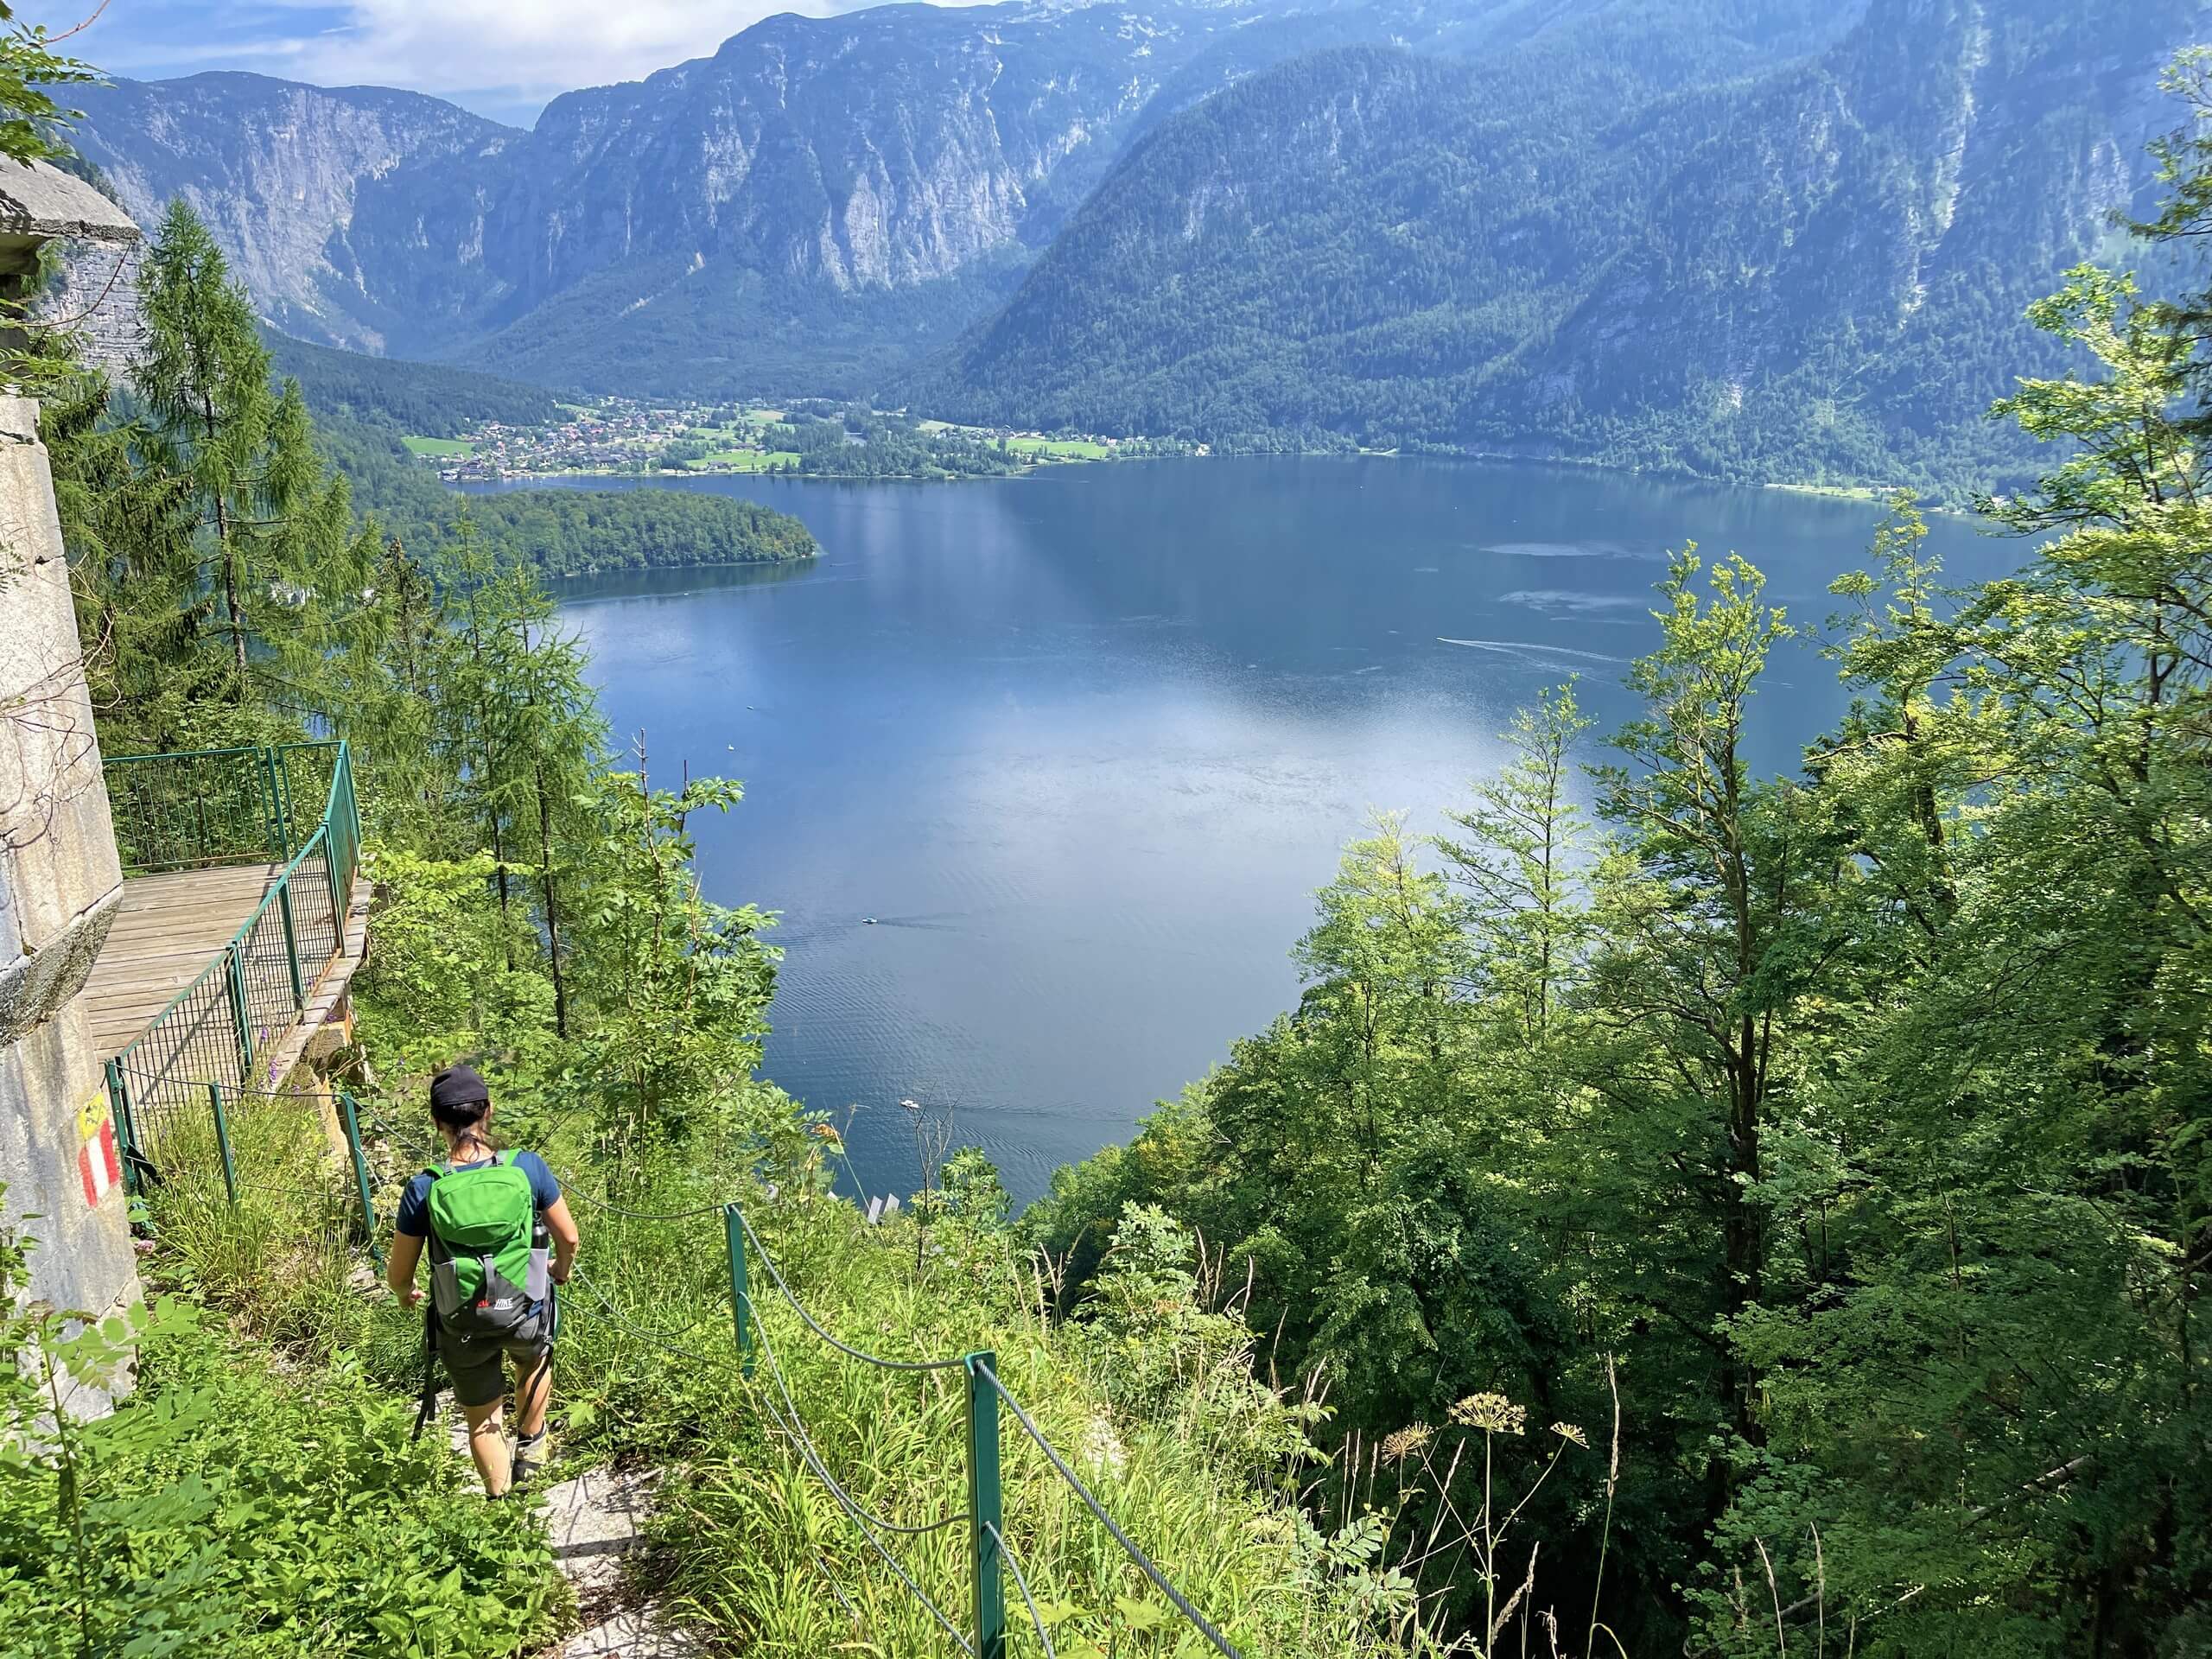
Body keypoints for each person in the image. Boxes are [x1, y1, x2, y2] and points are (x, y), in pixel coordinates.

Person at [385, 1063, 579, 1497]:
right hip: (525, 1304)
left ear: (437, 1122)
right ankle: (531, 1451)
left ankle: (500, 1505)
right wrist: (560, 1270)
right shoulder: (527, 1167)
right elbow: (568, 1236)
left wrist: (406, 1294)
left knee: (482, 1421)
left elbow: (399, 1273)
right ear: (488, 1111)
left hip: (462, 1318)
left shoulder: (424, 1188)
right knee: (532, 1360)